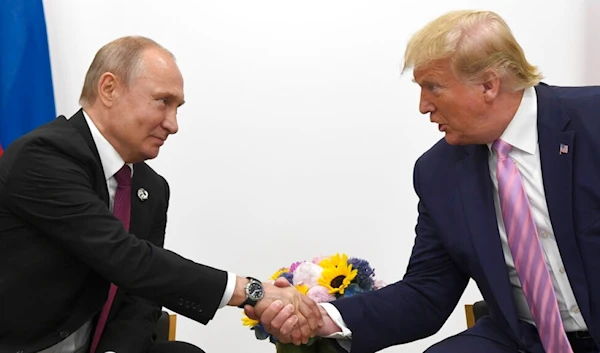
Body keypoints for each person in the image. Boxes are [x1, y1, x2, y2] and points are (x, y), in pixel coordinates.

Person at [249, 9, 600, 353]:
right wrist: (323, 317)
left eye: (433, 87)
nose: (423, 106)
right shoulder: (438, 171)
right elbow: (427, 291)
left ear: (488, 85)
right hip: (523, 338)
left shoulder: (592, 120)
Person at [0, 36, 321, 353]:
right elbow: (125, 258)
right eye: (162, 101)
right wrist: (251, 292)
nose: (173, 124)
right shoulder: (44, 156)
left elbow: (140, 296)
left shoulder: (150, 187)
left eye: (177, 107)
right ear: (109, 89)